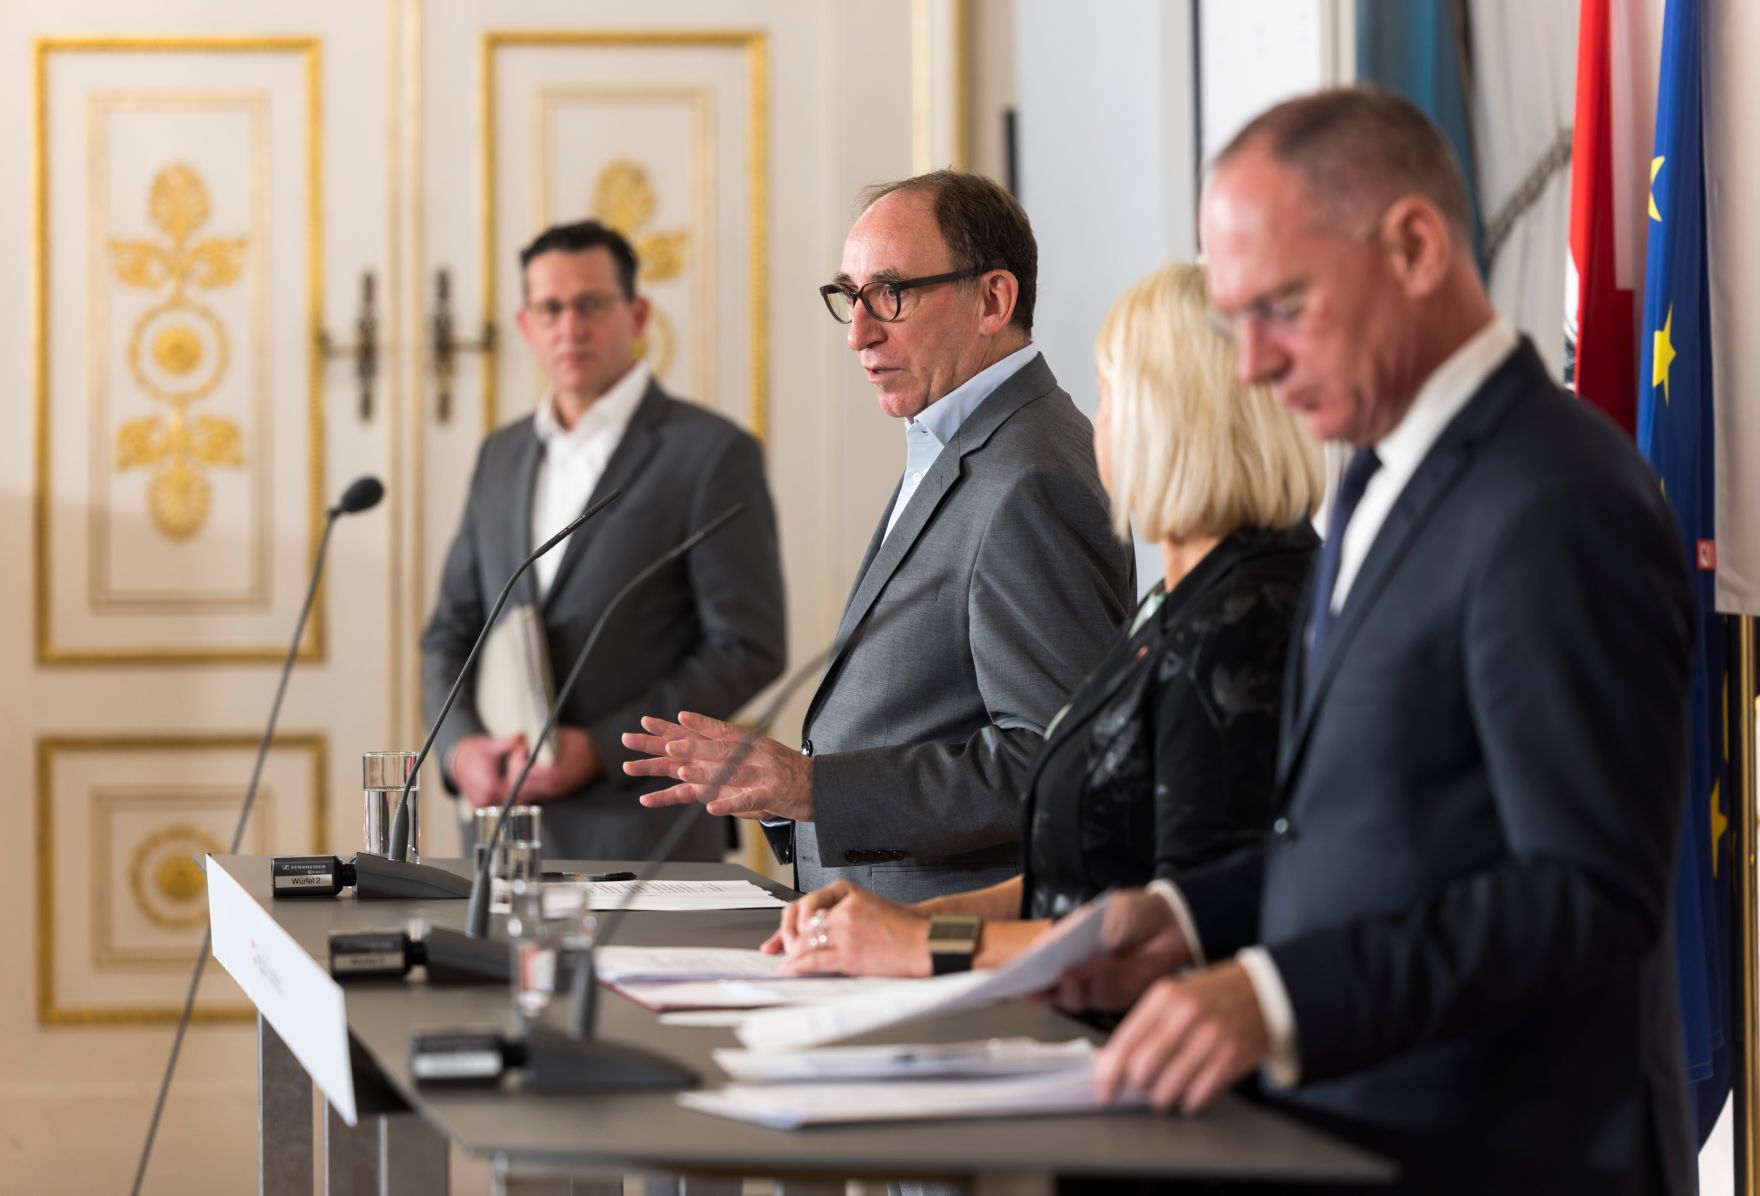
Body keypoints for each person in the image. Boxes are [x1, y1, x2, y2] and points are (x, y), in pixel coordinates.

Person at [1053, 88, 1697, 1195]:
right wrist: (1179, 917)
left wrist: (1278, 996)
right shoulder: (1371, 486)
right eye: (1231, 319)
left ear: (1410, 245)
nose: (1249, 362)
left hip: (1514, 1152)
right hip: (1363, 1136)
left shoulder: (1554, 497)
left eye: (1282, 307)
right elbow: (1378, 843)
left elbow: (1582, 891)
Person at [759, 261, 1320, 978]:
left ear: (1178, 420)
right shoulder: (1179, 604)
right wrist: (915, 919)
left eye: (1112, 396)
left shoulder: (1249, 615)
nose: (1098, 425)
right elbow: (1090, 866)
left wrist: (921, 946)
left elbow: (1176, 914)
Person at [622, 170, 1135, 901]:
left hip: (945, 951)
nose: (860, 333)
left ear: (993, 299)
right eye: (849, 297)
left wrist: (814, 786)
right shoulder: (964, 441)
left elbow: (1056, 761)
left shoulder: (1028, 477)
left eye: (891, 293)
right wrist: (783, 795)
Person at [421, 219, 785, 862]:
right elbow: (450, 632)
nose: (570, 326)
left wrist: (605, 745)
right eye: (550, 308)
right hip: (499, 829)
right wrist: (460, 749)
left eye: (591, 304)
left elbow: (747, 648)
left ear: (637, 314)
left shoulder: (711, 453)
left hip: (641, 833)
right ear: (526, 325)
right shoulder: (499, 457)